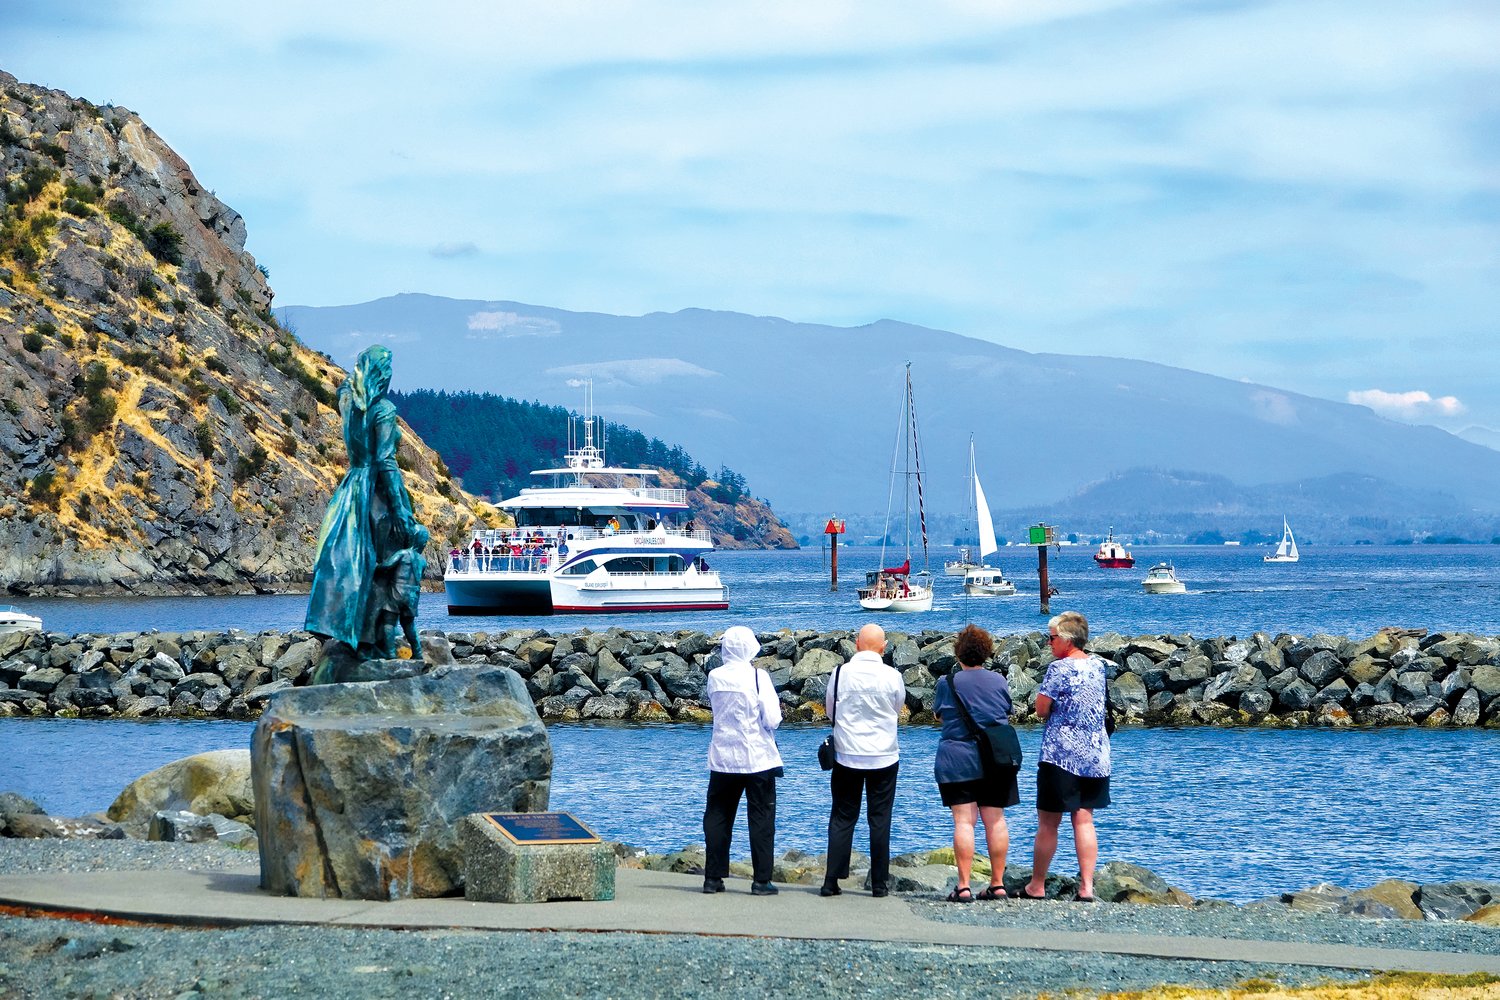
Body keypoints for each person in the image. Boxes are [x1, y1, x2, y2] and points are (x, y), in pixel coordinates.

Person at [1020, 611, 1112, 903]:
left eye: (1052, 637)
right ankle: (1086, 886)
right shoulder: (1098, 666)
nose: (1049, 643)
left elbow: (1041, 709)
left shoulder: (1058, 669)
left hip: (1061, 755)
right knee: (1084, 820)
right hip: (1096, 755)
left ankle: (1037, 884)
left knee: (1048, 823)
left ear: (1067, 640)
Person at [931, 623, 1018, 902]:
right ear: (986, 653)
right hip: (996, 760)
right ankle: (997, 883)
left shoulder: (948, 683)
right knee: (996, 821)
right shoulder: (999, 681)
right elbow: (1006, 711)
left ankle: (964, 885)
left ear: (959, 654)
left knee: (963, 822)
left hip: (957, 760)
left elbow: (939, 716)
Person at [820, 623, 905, 898]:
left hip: (847, 754)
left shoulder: (840, 672)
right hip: (883, 754)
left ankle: (831, 880)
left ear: (857, 644)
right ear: (884, 646)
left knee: (843, 817)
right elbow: (897, 708)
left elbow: (831, 711)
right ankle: (879, 884)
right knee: (880, 819)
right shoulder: (892, 675)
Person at [703, 626, 784, 896]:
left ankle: (713, 877)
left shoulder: (715, 676)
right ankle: (761, 880)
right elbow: (772, 718)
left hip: (723, 757)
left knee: (718, 815)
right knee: (761, 817)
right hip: (756, 757)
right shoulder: (758, 677)